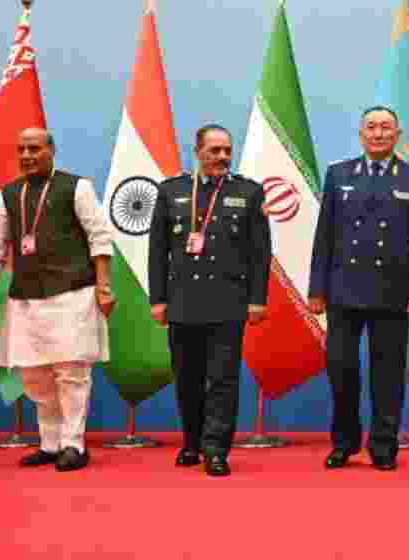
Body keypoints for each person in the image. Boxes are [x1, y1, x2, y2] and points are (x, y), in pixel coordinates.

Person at [0, 127, 114, 472]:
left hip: (73, 294)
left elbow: (99, 238)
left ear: (51, 150)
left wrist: (104, 286)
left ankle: (74, 445)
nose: (27, 155)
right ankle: (50, 444)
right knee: (35, 377)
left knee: (71, 374)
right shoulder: (8, 194)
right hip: (25, 299)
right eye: (22, 149)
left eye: (35, 148)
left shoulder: (76, 187)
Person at [308, 106, 409, 471]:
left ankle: (384, 445)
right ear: (361, 134)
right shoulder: (339, 174)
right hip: (342, 290)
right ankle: (344, 442)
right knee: (342, 370)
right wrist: (317, 288)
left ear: (398, 135)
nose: (378, 134)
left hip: (392, 291)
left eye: (386, 128)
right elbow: (324, 237)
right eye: (371, 127)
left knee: (388, 373)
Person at [147, 124, 271, 477]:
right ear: (198, 151)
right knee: (187, 377)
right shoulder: (172, 190)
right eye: (215, 151)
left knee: (222, 379)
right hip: (182, 300)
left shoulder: (248, 192)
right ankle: (192, 441)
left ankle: (216, 449)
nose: (222, 157)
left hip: (227, 301)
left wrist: (257, 299)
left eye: (227, 151)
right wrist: (158, 299)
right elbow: (157, 250)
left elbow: (260, 253)